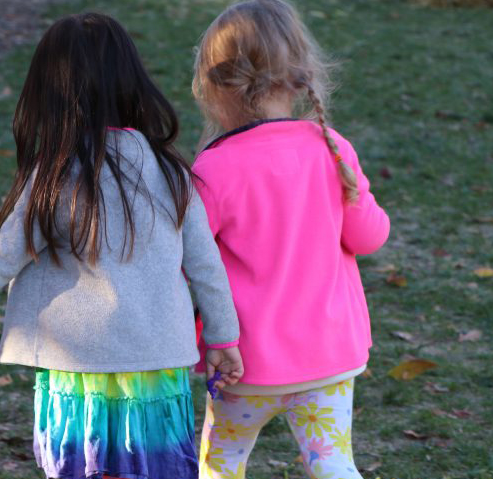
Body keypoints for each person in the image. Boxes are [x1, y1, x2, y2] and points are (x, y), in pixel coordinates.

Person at [0, 12, 245, 479]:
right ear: (131, 82)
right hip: (156, 369)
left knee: (82, 468)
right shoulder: (173, 172)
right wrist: (223, 339)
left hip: (77, 373)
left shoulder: (56, 175)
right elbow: (207, 268)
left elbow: (0, 259)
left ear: (50, 94)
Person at [190, 1, 391, 478]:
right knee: (334, 465)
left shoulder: (213, 169)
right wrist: (357, 192)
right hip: (329, 360)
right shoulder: (330, 146)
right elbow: (369, 237)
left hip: (244, 367)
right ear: (298, 73)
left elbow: (190, 267)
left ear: (217, 85)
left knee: (220, 466)